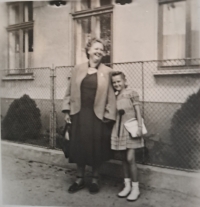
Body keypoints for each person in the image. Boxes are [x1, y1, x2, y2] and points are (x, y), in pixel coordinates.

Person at [62, 38, 116, 194]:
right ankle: (79, 179)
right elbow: (69, 91)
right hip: (79, 114)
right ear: (89, 50)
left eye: (101, 49)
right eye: (96, 48)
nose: (99, 51)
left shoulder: (108, 71)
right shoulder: (77, 69)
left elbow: (111, 96)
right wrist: (67, 111)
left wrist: (108, 116)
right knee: (79, 147)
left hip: (97, 116)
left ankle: (95, 180)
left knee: (96, 148)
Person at [111, 71, 144, 202]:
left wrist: (140, 127)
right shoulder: (115, 96)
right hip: (119, 129)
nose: (117, 84)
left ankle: (136, 188)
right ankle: (127, 186)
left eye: (119, 81)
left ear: (124, 81)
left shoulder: (132, 93)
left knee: (130, 158)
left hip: (131, 129)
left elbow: (137, 111)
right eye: (114, 82)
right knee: (123, 159)